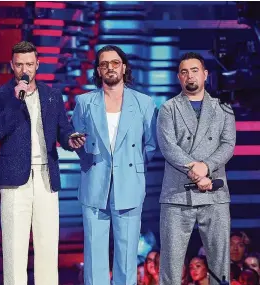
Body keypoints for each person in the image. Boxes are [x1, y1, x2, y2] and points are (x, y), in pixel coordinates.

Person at [0, 41, 85, 285]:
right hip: (14, 180)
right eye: (19, 64)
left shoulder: (52, 95)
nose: (24, 69)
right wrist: (15, 100)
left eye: (29, 64)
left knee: (47, 246)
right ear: (12, 65)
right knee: (14, 249)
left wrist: (70, 139)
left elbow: (63, 128)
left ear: (37, 64)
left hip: (46, 178)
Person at [71, 44, 158, 285]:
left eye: (115, 63)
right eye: (104, 64)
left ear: (124, 67)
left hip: (129, 184)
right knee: (94, 255)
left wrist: (133, 166)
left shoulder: (144, 102)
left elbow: (151, 145)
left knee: (128, 256)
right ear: (98, 70)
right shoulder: (84, 102)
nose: (110, 68)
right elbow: (76, 140)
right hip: (95, 184)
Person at [157, 52, 236, 285]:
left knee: (220, 264)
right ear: (178, 78)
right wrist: (195, 171)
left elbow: (228, 144)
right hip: (176, 194)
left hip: (215, 193)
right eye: (184, 72)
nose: (189, 75)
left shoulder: (223, 107)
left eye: (194, 70)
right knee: (170, 265)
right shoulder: (168, 109)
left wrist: (206, 167)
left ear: (205, 74)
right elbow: (167, 146)